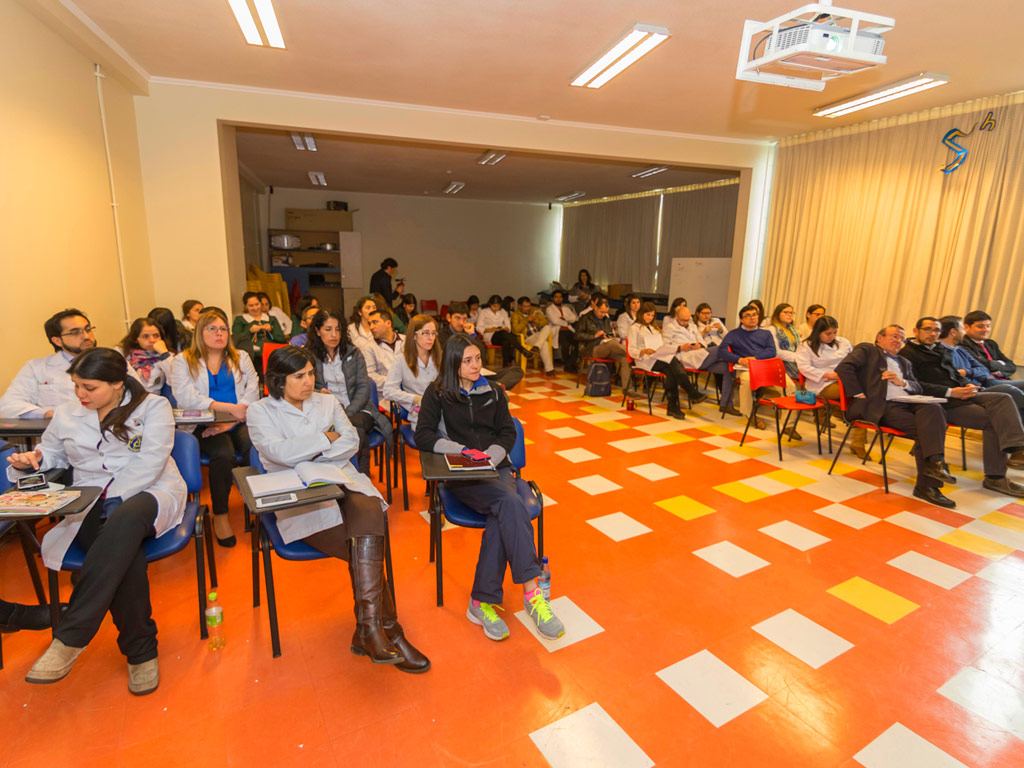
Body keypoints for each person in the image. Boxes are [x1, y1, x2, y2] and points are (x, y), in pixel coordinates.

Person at [6, 348, 187, 694]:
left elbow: (151, 461)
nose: (80, 395)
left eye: (89, 387)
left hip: (150, 491)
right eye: (75, 386)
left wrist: (116, 501)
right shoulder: (67, 413)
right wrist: (33, 460)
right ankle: (141, 651)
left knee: (125, 516)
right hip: (90, 498)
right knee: (123, 556)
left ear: (118, 383)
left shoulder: (153, 407)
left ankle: (71, 636)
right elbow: (54, 453)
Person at [247, 346, 428, 673]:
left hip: (340, 477)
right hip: (300, 495)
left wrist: (311, 450)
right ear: (277, 381)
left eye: (311, 374)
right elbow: (278, 453)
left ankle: (372, 630)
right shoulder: (260, 411)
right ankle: (385, 631)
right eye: (299, 376)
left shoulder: (327, 401)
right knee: (364, 545)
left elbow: (351, 442)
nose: (308, 382)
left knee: (370, 508)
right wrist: (324, 439)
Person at [415, 334, 563, 642]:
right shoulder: (437, 392)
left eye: (478, 359)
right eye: (467, 361)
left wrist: (493, 457)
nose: (474, 366)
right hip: (463, 474)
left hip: (497, 468)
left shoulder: (493, 391)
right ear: (454, 363)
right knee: (511, 504)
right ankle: (532, 593)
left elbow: (507, 432)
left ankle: (481, 602)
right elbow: (424, 435)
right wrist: (460, 451)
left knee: (503, 511)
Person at [835, 325, 958, 508]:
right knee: (930, 431)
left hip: (907, 403)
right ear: (879, 338)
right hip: (881, 406)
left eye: (901, 338)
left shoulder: (904, 362)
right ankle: (929, 483)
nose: (898, 341)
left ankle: (935, 464)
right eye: (894, 336)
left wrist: (903, 382)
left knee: (934, 408)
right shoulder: (868, 350)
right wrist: (858, 394)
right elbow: (844, 368)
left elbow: (918, 387)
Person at [900, 317, 1024, 490]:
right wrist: (951, 392)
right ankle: (995, 478)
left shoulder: (939, 350)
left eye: (936, 330)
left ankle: (1018, 450)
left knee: (1003, 398)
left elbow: (955, 374)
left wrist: (966, 384)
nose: (932, 334)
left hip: (963, 393)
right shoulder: (907, 355)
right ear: (916, 331)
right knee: (994, 419)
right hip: (943, 402)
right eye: (927, 329)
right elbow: (914, 385)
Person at [171, 308, 257, 546]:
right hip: (202, 422)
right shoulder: (182, 360)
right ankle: (220, 515)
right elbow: (186, 397)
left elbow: (253, 391)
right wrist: (226, 409)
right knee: (223, 455)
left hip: (238, 419)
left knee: (254, 448)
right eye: (212, 328)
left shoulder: (241, 356)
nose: (219, 333)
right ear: (200, 332)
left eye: (223, 328)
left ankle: (259, 507)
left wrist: (230, 421)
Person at [308, 308, 386, 476]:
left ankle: (358, 477)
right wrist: (316, 392)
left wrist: (346, 413)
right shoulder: (310, 356)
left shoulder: (354, 353)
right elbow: (303, 387)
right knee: (353, 433)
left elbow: (364, 388)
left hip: (358, 409)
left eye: (338, 329)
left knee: (355, 429)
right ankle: (345, 477)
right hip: (325, 412)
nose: (334, 335)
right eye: (328, 329)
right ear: (317, 331)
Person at [1, 309, 98, 418]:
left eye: (88, 329)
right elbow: (9, 404)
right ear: (57, 341)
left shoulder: (111, 362)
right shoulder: (36, 368)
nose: (86, 336)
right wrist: (48, 414)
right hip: (58, 431)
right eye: (75, 332)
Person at [795, 316, 866, 457]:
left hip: (844, 380)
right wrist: (828, 375)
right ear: (817, 331)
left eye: (834, 332)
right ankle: (857, 435)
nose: (832, 336)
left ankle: (858, 440)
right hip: (822, 384)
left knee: (862, 399)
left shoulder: (843, 342)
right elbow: (804, 368)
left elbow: (853, 360)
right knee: (859, 395)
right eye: (828, 333)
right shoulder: (806, 346)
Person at [719, 304, 796, 432]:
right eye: (748, 316)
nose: (752, 318)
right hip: (747, 368)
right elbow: (722, 350)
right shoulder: (734, 334)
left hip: (766, 366)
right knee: (747, 381)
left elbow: (772, 351)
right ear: (741, 320)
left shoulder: (765, 334)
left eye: (754, 315)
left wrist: (756, 358)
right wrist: (739, 359)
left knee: (790, 386)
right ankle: (750, 416)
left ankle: (788, 424)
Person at [940, 316, 1024, 416]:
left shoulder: (960, 349)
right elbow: (954, 376)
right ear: (953, 332)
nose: (964, 332)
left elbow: (984, 370)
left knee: (1012, 394)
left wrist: (967, 372)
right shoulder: (940, 353)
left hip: (982, 384)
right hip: (970, 390)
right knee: (1010, 391)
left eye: (988, 326)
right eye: (963, 329)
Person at [438, 302, 524, 392]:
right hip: (459, 376)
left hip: (477, 373)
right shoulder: (442, 336)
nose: (461, 323)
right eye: (457, 318)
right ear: (448, 318)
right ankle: (494, 389)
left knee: (517, 371)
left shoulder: (467, 333)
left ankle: (495, 387)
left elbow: (482, 355)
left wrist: (473, 335)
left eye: (464, 319)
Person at [627, 303, 688, 419]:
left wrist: (662, 349)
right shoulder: (633, 328)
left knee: (671, 372)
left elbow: (663, 345)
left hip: (658, 357)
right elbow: (631, 350)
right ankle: (685, 389)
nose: (650, 318)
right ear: (641, 314)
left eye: (652, 315)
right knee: (673, 366)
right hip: (644, 360)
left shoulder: (656, 329)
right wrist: (644, 351)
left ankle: (673, 408)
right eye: (647, 315)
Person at [383, 313, 441, 430]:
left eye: (433, 333)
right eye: (425, 333)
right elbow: (388, 391)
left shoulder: (441, 358)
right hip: (420, 414)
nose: (431, 338)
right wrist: (414, 399)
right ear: (414, 335)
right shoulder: (400, 361)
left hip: (442, 410)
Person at [575, 296, 636, 398]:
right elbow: (577, 335)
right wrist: (594, 336)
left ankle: (627, 389)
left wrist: (608, 336)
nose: (603, 314)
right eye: (601, 312)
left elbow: (610, 334)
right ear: (595, 308)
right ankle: (633, 354)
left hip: (606, 347)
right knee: (612, 344)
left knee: (625, 359)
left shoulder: (606, 319)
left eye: (605, 312)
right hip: (592, 347)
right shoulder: (585, 318)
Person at [659, 301, 718, 403]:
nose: (686, 322)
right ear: (677, 318)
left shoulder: (692, 325)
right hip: (683, 355)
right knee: (719, 350)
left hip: (698, 352)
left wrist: (700, 344)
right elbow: (665, 346)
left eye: (687, 320)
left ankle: (726, 403)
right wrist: (680, 347)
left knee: (723, 363)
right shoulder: (670, 328)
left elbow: (701, 340)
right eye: (683, 320)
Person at [231, 292, 285, 375]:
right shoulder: (240, 320)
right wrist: (249, 331)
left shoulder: (271, 319)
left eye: (257, 304)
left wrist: (271, 329)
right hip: (253, 355)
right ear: (245, 306)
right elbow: (236, 340)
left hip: (271, 353)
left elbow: (281, 339)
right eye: (251, 305)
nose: (255, 308)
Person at [117, 318, 174, 395]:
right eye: (145, 336)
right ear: (135, 339)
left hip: (152, 400)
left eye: (156, 335)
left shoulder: (167, 356)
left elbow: (176, 380)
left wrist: (164, 354)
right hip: (126, 398)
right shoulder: (122, 353)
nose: (152, 340)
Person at [960, 310, 1018, 380]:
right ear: (966, 327)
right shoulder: (962, 344)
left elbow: (1011, 365)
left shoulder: (991, 343)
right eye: (980, 326)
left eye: (988, 326)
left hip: (1003, 379)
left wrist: (998, 372)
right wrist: (1001, 363)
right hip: (984, 382)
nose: (986, 330)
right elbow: (982, 364)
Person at [478, 294, 531, 368]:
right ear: (490, 304)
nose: (496, 308)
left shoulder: (503, 312)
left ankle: (505, 366)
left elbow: (508, 326)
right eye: (494, 306)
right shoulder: (484, 312)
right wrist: (489, 329)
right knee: (504, 335)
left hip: (502, 333)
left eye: (498, 306)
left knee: (505, 341)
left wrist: (503, 328)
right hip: (490, 335)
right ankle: (521, 349)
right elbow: (478, 327)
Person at [511, 297, 555, 377]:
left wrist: (537, 321)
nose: (528, 308)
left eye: (529, 306)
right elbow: (515, 330)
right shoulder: (515, 315)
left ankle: (537, 347)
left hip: (538, 335)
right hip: (527, 338)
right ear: (519, 306)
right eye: (525, 306)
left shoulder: (535, 310)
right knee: (544, 344)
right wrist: (526, 320)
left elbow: (545, 322)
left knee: (548, 328)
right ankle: (549, 370)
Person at [363, 309, 405, 391]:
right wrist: (396, 381)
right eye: (369, 324)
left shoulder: (406, 341)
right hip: (385, 394)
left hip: (410, 391)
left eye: (375, 322)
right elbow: (370, 376)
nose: (371, 327)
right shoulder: (368, 347)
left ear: (388, 323)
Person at [545, 289, 578, 371]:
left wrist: (564, 318)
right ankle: (569, 365)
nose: (558, 299)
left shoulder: (566, 308)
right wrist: (566, 322)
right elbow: (554, 321)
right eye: (556, 297)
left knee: (580, 344)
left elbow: (574, 318)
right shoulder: (549, 309)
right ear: (552, 298)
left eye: (560, 297)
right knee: (565, 345)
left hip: (569, 330)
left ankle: (569, 363)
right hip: (558, 331)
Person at [768, 303, 801, 382]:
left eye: (791, 312)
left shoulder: (793, 330)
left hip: (796, 360)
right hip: (781, 364)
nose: (789, 315)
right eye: (786, 312)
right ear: (777, 314)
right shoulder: (772, 329)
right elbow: (776, 352)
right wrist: (798, 357)